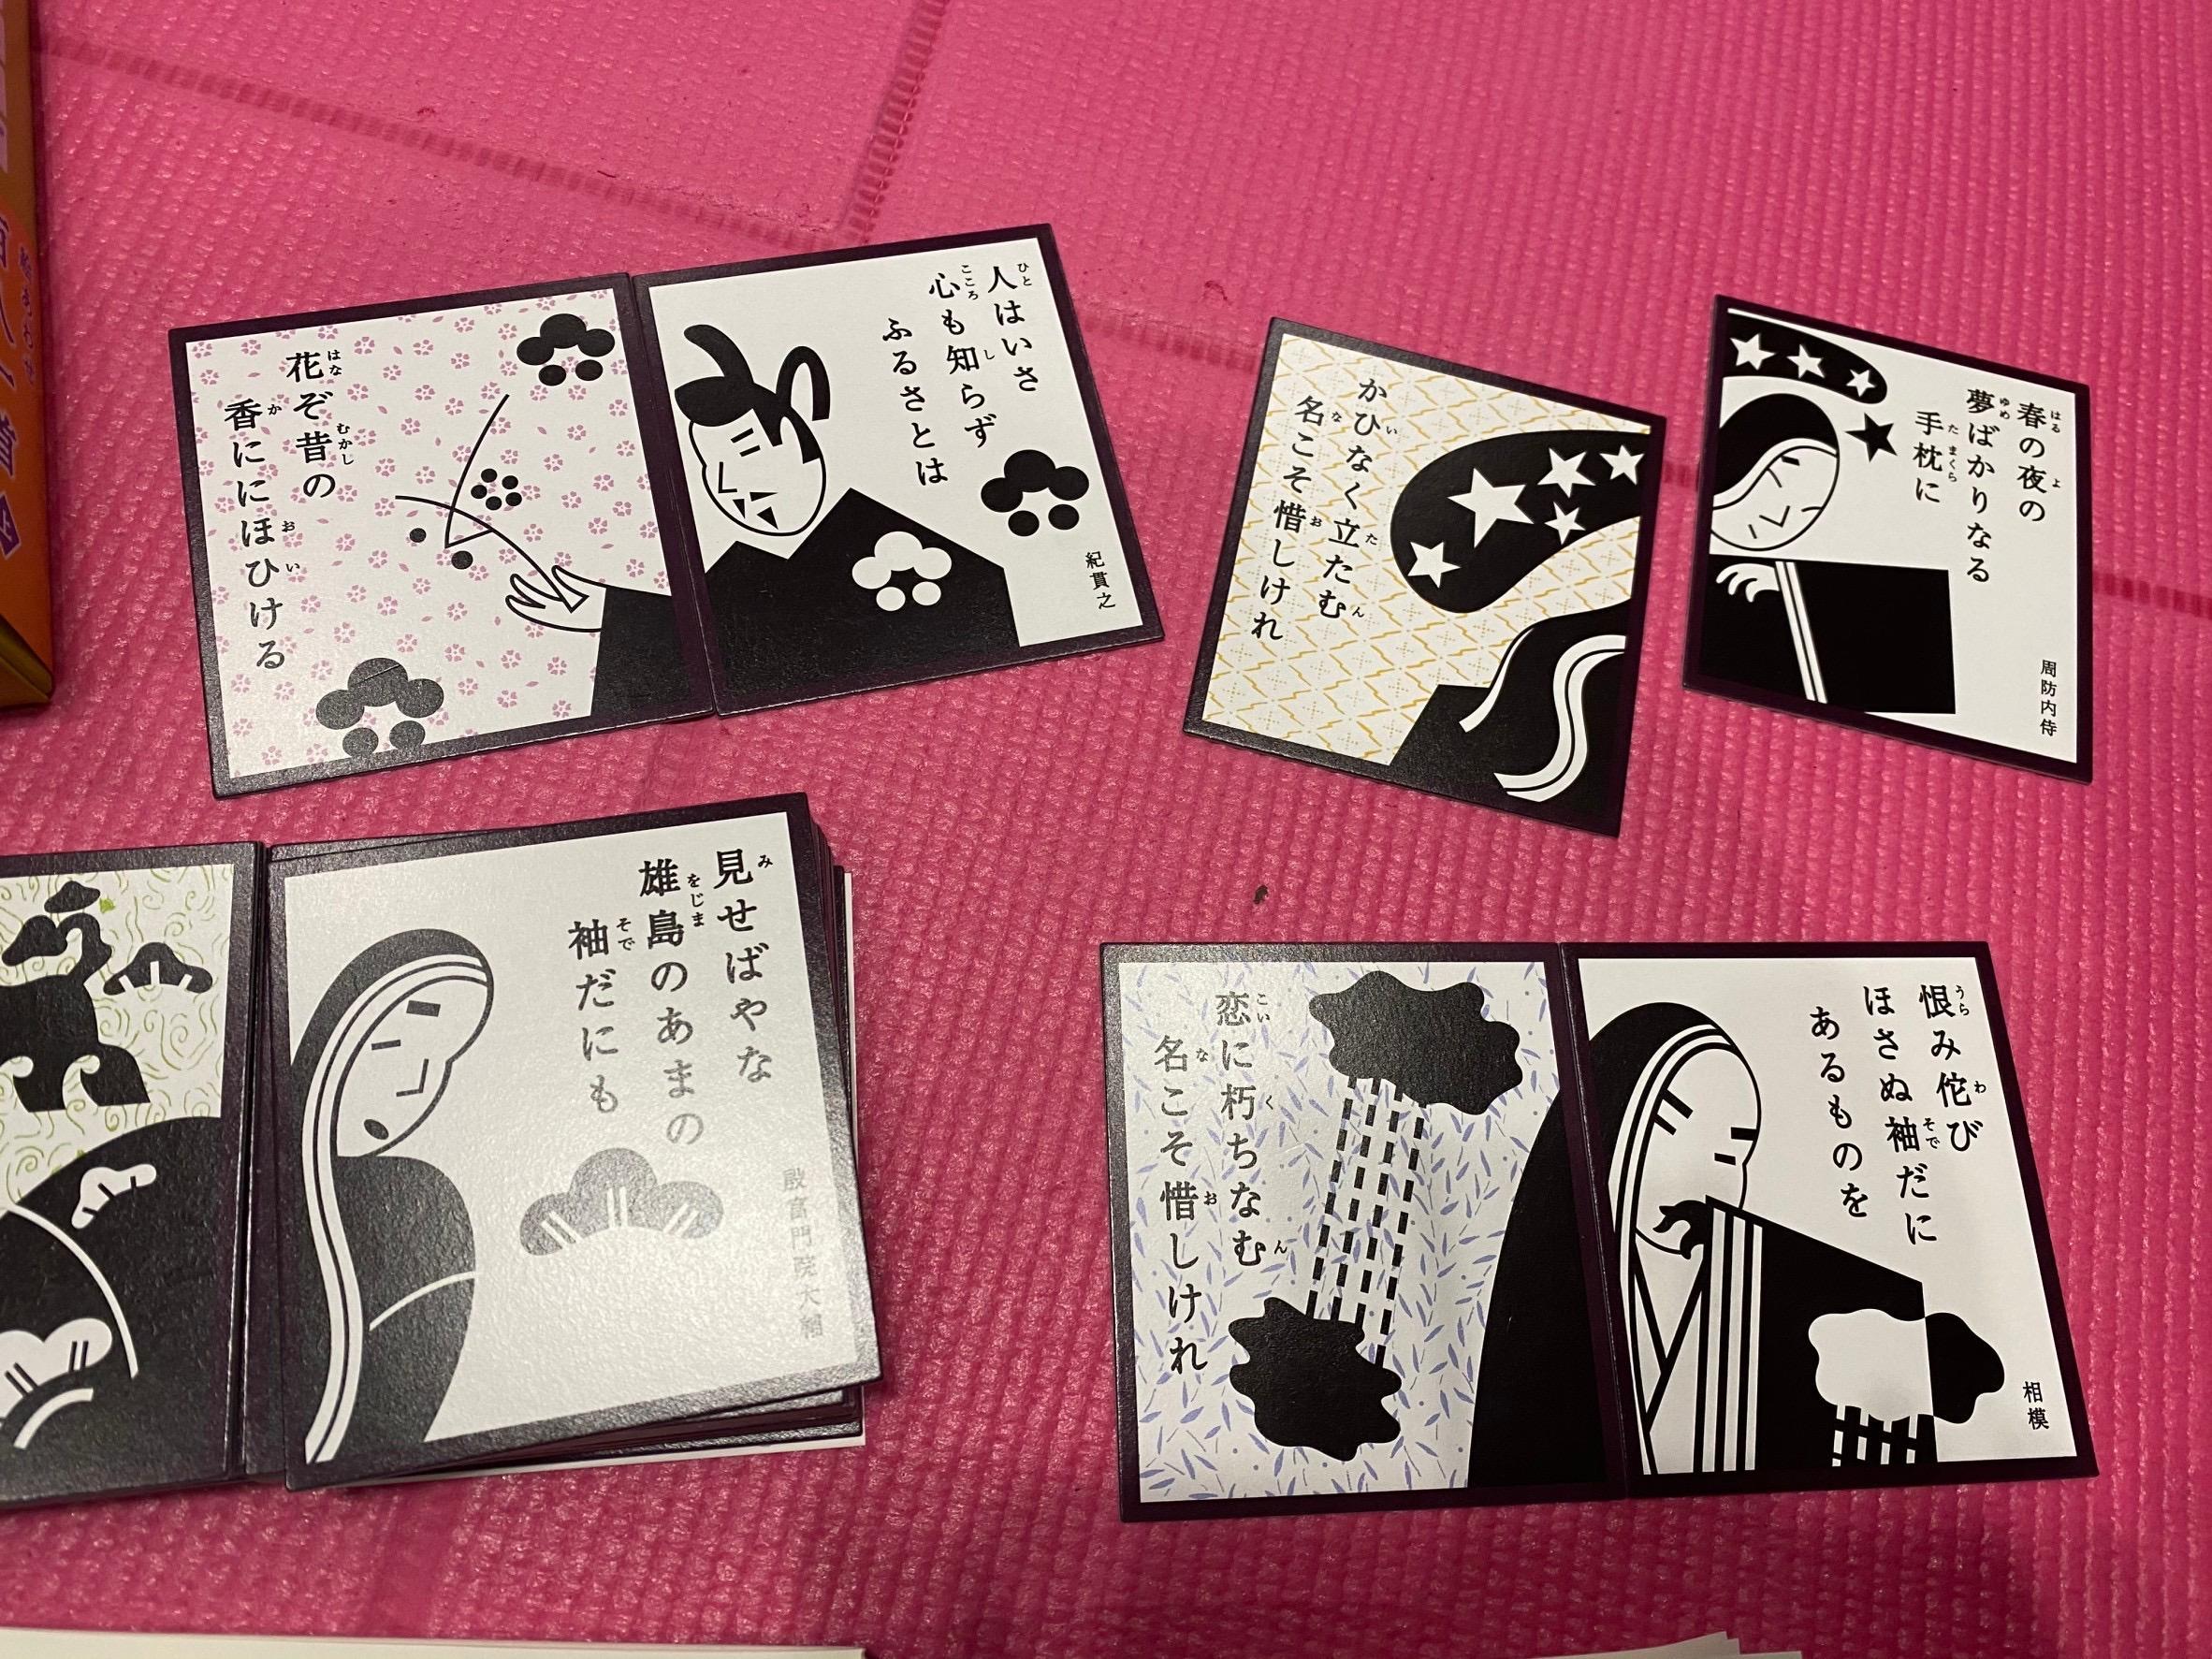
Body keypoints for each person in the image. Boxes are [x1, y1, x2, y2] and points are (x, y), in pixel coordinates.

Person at [290, 929, 491, 1466]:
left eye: (439, 1061)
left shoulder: (423, 1200)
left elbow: (394, 1415)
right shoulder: (206, 1147)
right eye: (397, 1043)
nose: (415, 1086)